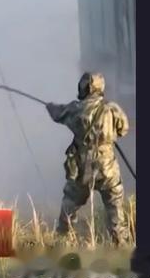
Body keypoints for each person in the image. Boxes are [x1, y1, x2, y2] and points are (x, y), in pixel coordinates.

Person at [46, 72, 130, 245]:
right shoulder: (111, 108)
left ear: (83, 88)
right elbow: (123, 129)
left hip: (82, 169)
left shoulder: (74, 109)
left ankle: (62, 243)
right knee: (115, 210)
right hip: (108, 169)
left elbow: (57, 114)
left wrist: (50, 106)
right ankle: (122, 248)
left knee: (69, 204)